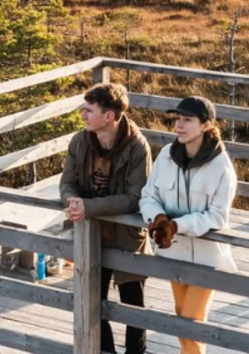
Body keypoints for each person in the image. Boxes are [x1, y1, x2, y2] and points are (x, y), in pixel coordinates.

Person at [139, 96, 238, 354]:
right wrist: (158, 219)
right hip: (173, 252)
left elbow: (217, 216)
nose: (179, 126)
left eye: (187, 120)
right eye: (177, 119)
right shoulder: (166, 157)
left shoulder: (221, 166)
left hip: (207, 258)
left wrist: (177, 225)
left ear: (205, 125)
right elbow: (149, 196)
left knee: (191, 320)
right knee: (182, 315)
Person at [60, 82, 151, 354]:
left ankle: (136, 352)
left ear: (109, 116)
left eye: (89, 110)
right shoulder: (80, 140)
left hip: (126, 234)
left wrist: (89, 207)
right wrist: (73, 202)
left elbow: (135, 197)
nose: (83, 115)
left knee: (132, 303)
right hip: (92, 233)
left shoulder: (137, 147)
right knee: (93, 298)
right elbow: (67, 182)